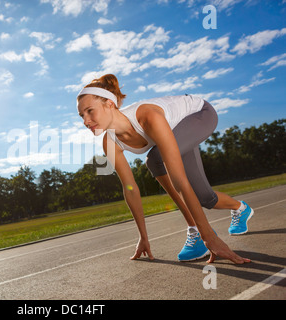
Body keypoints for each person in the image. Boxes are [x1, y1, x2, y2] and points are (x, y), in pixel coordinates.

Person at [77, 74, 254, 264]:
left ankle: (198, 232)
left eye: (89, 111)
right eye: (81, 115)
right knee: (205, 197)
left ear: (109, 104)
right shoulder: (110, 141)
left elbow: (178, 180)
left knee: (155, 158)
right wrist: (143, 237)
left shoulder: (147, 117)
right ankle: (240, 208)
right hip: (176, 130)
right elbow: (131, 189)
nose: (86, 121)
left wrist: (210, 237)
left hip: (199, 114)